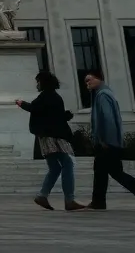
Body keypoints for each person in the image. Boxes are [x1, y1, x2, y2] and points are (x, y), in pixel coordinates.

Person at [84, 69, 135, 211]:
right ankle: (98, 202)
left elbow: (107, 118)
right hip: (108, 141)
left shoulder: (102, 95)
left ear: (98, 79)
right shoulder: (103, 94)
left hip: (107, 142)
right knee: (103, 170)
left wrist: (105, 140)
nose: (87, 83)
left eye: (89, 80)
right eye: (86, 81)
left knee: (110, 170)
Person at [16, 71, 86, 211]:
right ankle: (68, 199)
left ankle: (43, 195)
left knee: (56, 167)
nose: (37, 85)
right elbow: (51, 115)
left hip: (50, 136)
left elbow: (37, 109)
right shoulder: (52, 96)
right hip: (53, 136)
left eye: (38, 82)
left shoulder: (46, 96)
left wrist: (22, 103)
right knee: (66, 164)